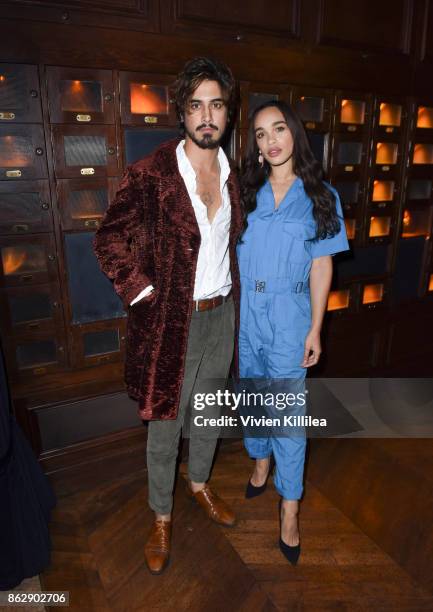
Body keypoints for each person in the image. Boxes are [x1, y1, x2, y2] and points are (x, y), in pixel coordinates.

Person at [93, 57, 243, 574]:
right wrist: (142, 292)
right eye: (197, 105)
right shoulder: (151, 174)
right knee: (165, 425)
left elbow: (230, 247)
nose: (207, 116)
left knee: (209, 415)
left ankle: (199, 484)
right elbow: (108, 239)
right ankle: (161, 515)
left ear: (227, 114)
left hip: (221, 316)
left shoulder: (232, 174)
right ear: (182, 113)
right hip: (170, 325)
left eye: (216, 105)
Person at [236, 100, 350, 565]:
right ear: (257, 147)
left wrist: (316, 328)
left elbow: (322, 266)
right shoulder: (246, 190)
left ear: (294, 134)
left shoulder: (321, 195)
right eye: (261, 134)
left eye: (278, 129)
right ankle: (259, 463)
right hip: (246, 313)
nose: (271, 140)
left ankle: (289, 507)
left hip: (290, 313)